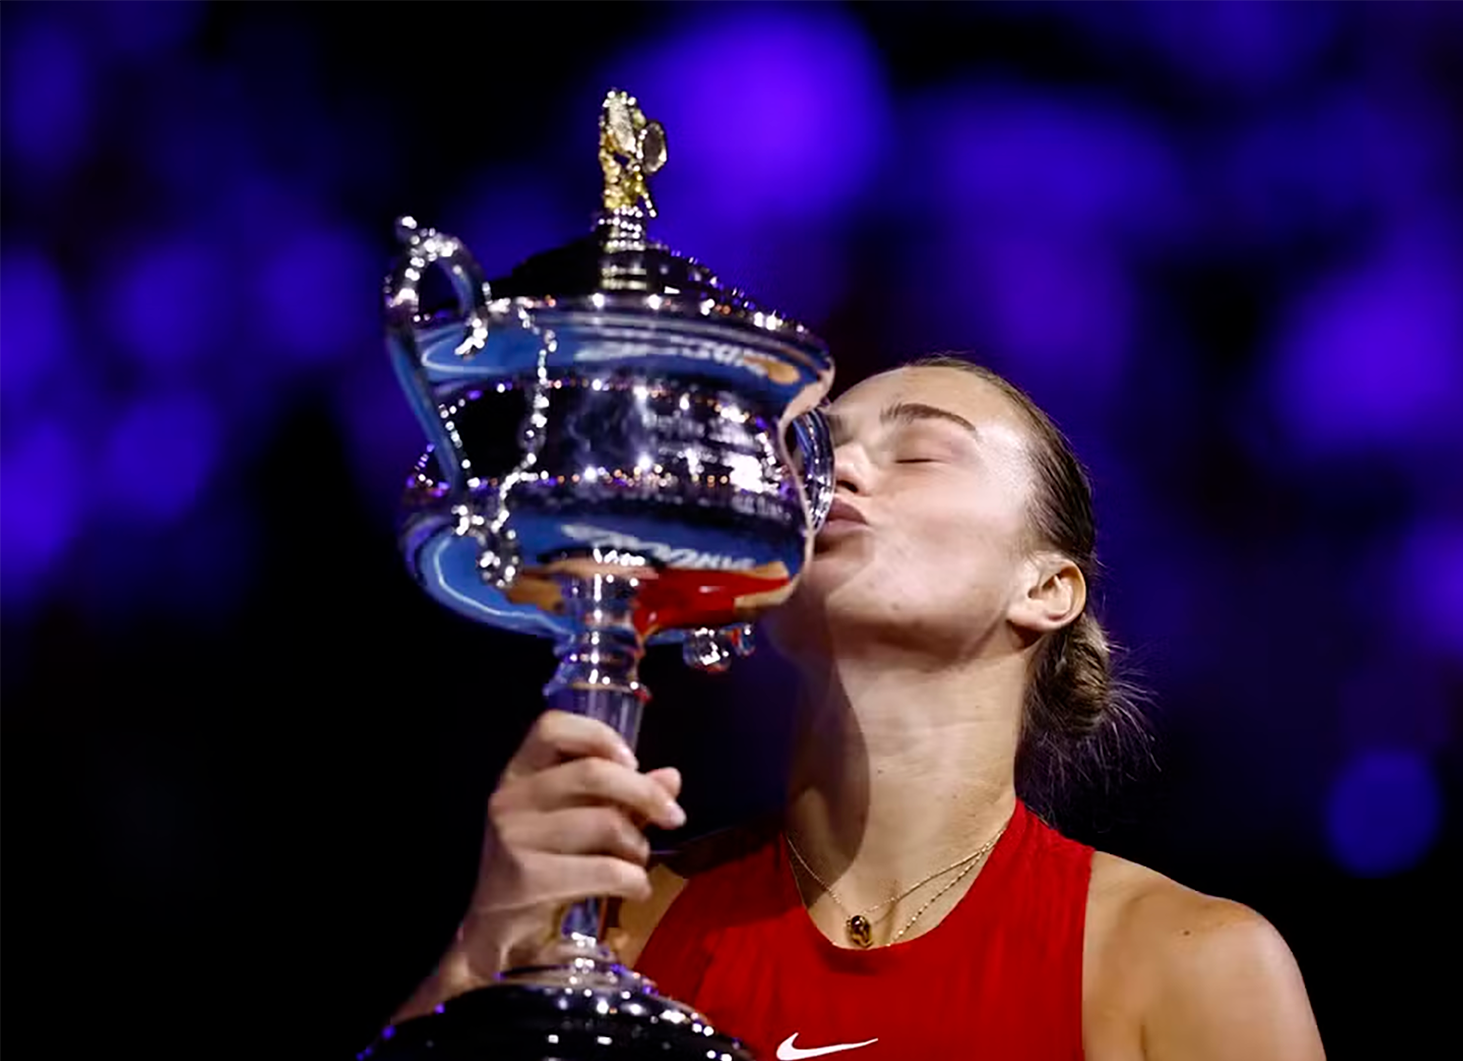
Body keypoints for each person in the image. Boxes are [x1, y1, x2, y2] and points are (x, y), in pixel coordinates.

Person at [390, 355, 1326, 1059]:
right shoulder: (617, 928)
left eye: (920, 450)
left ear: (1047, 588)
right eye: (817, 453)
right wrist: (485, 950)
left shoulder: (1189, 962)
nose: (835, 476)